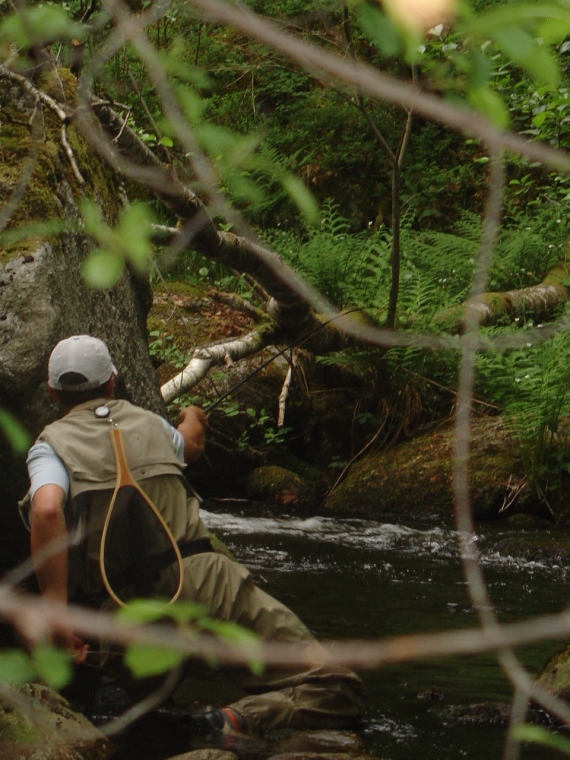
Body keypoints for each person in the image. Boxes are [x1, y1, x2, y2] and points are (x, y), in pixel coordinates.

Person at [21, 335, 366, 736]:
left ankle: (123, 697)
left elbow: (47, 509)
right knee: (337, 687)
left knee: (102, 694)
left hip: (128, 605)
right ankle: (234, 720)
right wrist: (191, 416)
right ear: (113, 382)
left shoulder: (50, 447)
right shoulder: (152, 425)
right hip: (208, 583)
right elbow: (191, 444)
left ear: (51, 392)